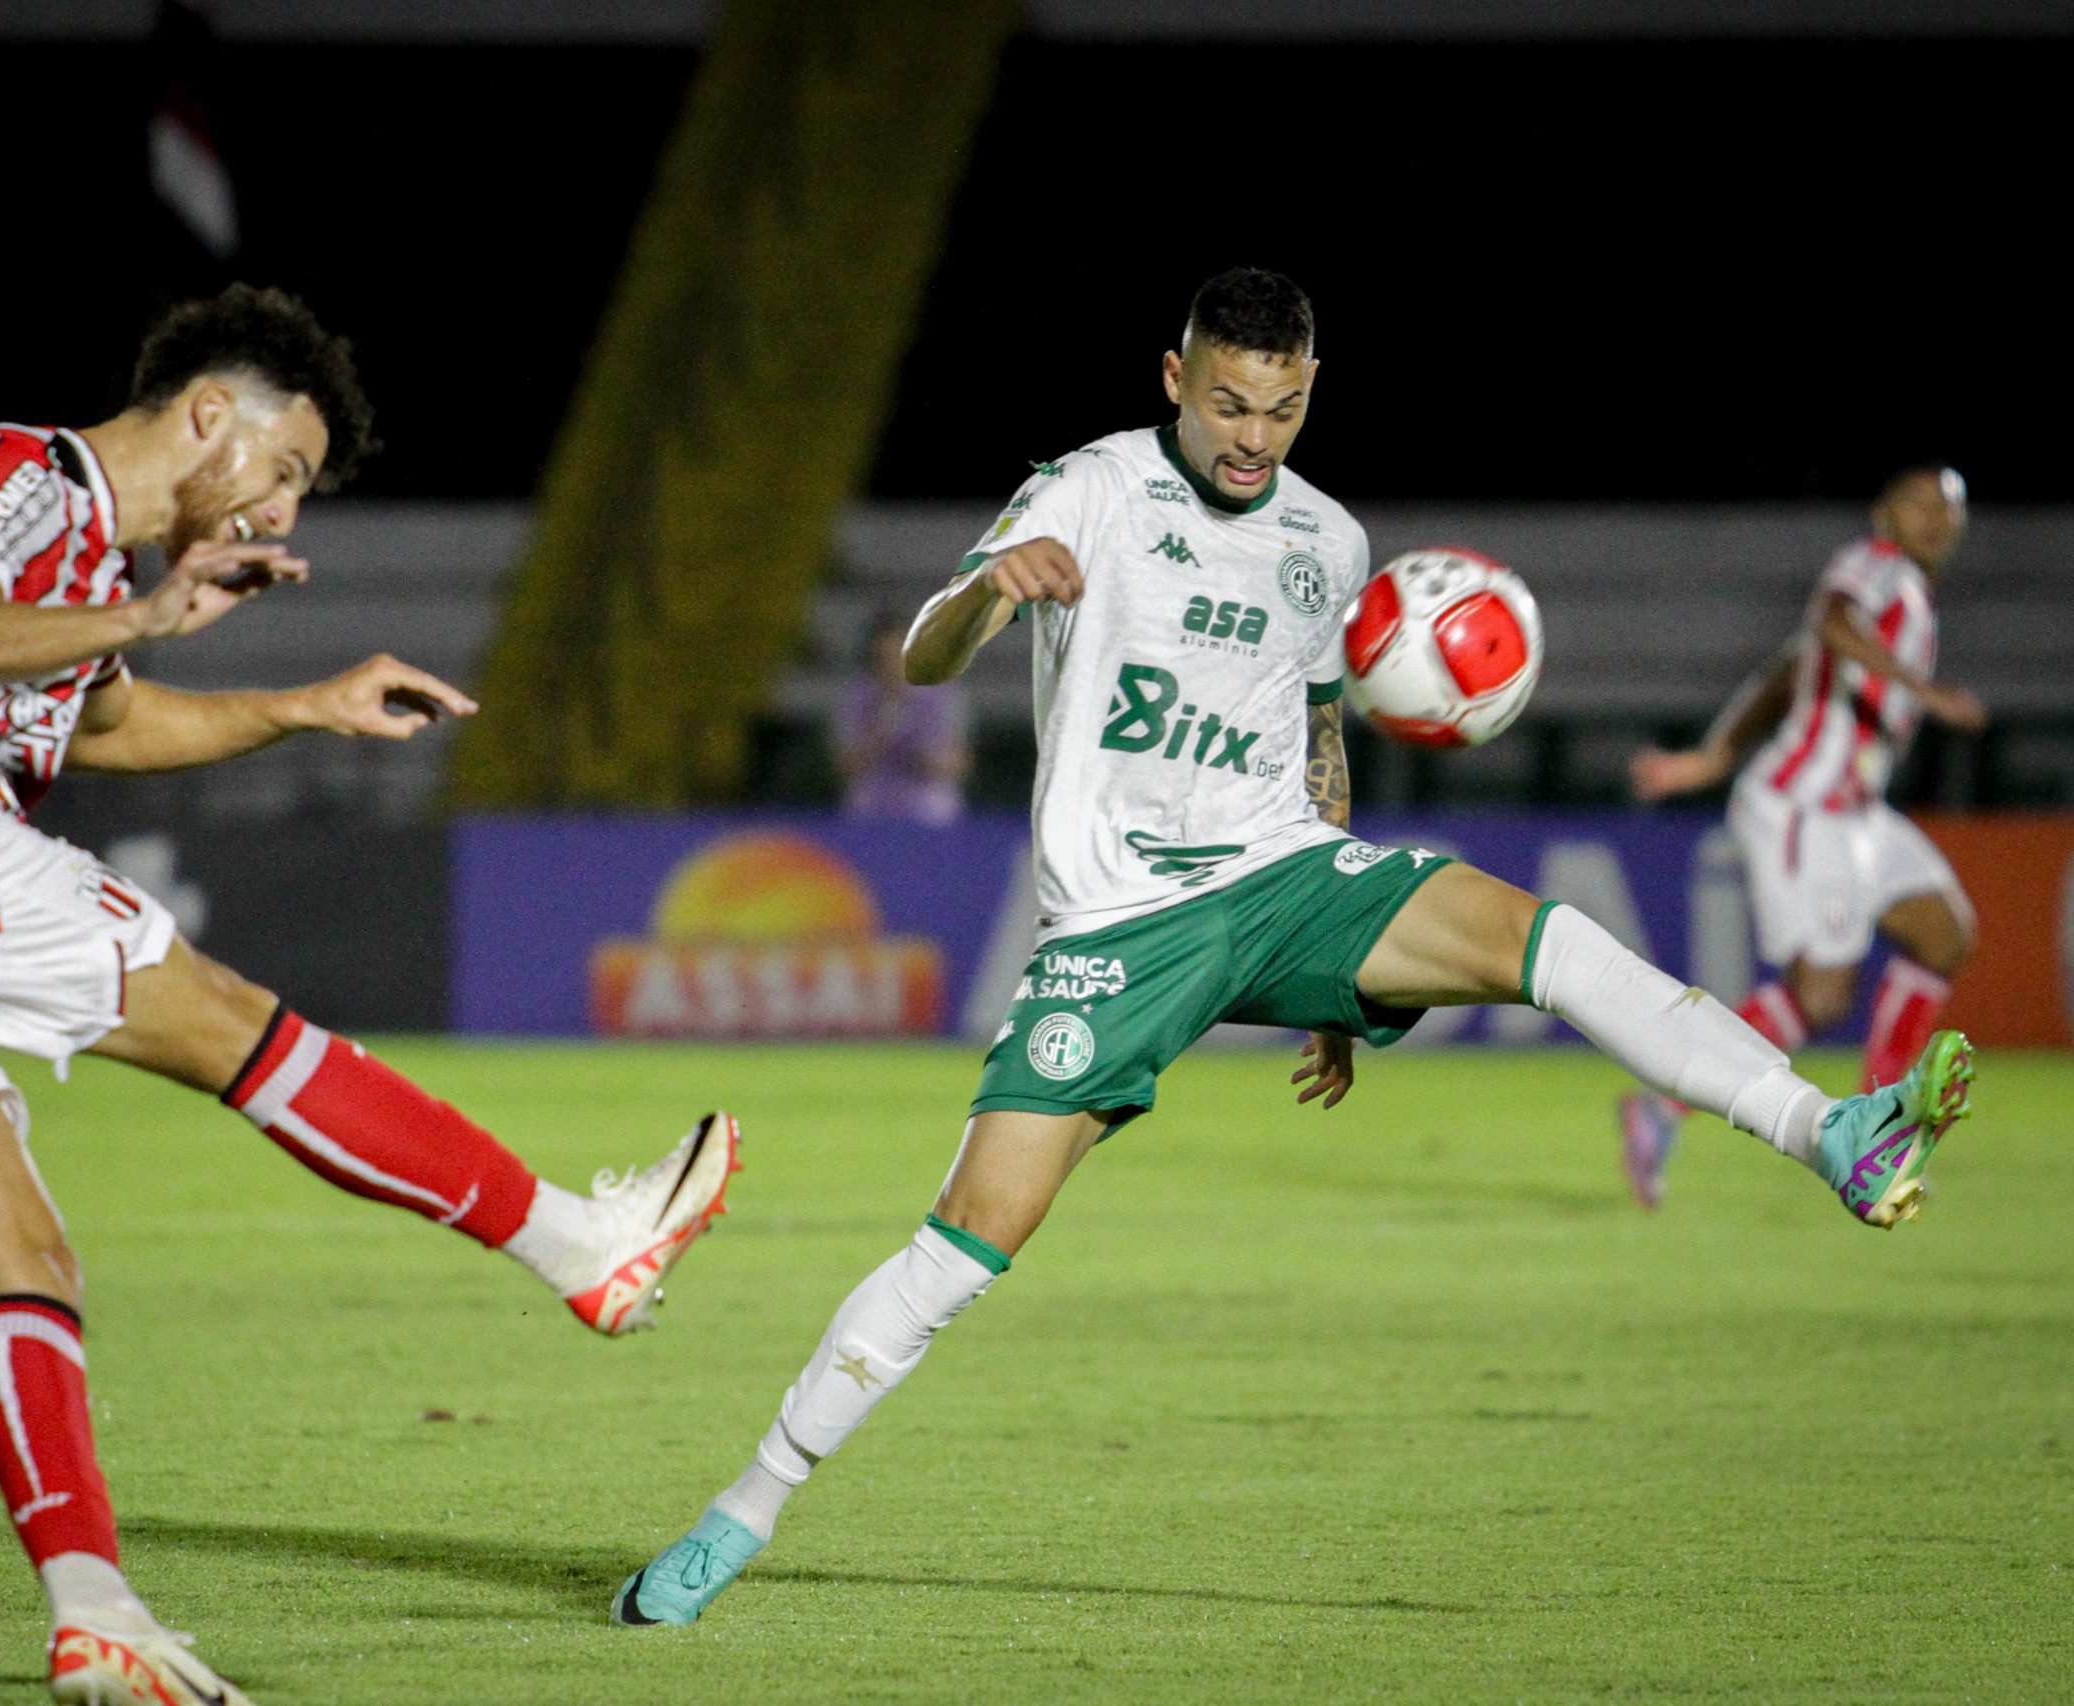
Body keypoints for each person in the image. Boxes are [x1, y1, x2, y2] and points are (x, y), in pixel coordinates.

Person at [607, 268, 1975, 1628]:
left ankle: (1830, 1130)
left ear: (1309, 393)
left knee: (1546, 938)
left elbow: (1313, 737)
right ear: (1173, 380)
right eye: (1226, 404)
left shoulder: (1331, 540)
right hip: (1121, 920)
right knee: (969, 1239)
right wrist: (990, 592)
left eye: (1281, 407)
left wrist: (1336, 980)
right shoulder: (1085, 488)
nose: (1252, 435)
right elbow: (920, 654)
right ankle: (747, 1505)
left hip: (1284, 872)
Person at [0, 287, 739, 1704]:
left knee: (25, 1261)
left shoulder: (80, 557)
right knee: (224, 1013)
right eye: (282, 470)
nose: (281, 513)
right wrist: (151, 605)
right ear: (203, 415)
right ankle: (578, 1245)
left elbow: (108, 720)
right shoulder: (8, 475)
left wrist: (302, 700)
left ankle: (96, 1615)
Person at [1620, 467, 1983, 1207]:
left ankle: (1880, 1128)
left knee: (1944, 934)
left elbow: (1793, 669)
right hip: (1801, 806)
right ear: (1884, 511)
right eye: (1918, 503)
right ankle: (1660, 1106)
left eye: (1948, 508)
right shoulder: (1873, 566)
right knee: (1818, 1001)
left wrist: (1714, 755)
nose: (1935, 519)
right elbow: (1830, 620)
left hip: (1856, 810)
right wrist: (1925, 691)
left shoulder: (1911, 596)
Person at [833, 610, 970, 823]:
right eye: (885, 656)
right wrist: (879, 734)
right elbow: (844, 766)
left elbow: (957, 764)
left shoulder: (942, 696)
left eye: (899, 654)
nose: (893, 664)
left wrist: (919, 754)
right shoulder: (858, 698)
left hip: (928, 813)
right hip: (870, 810)